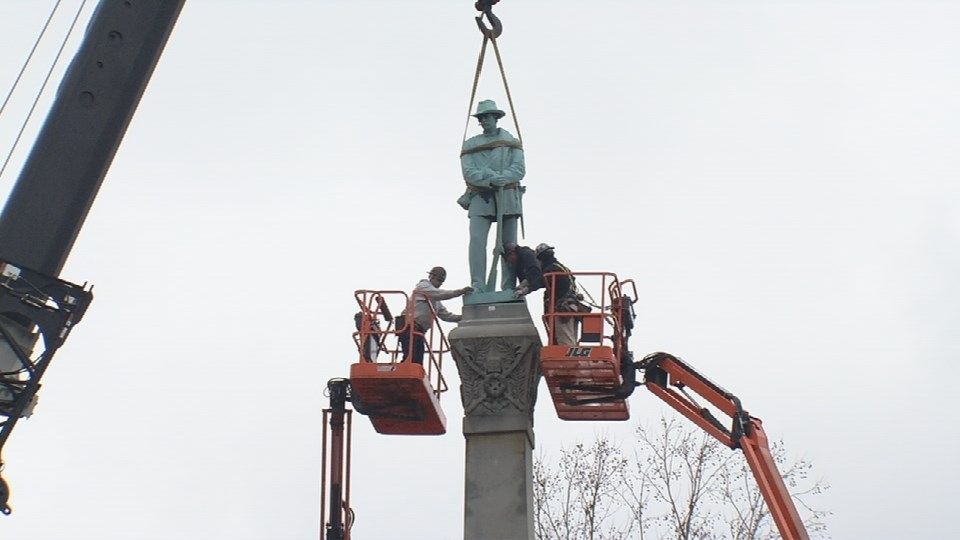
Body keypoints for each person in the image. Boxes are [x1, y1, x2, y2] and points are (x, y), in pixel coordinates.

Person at [458, 99, 526, 292]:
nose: (484, 120)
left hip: (508, 196)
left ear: (496, 117)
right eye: (481, 117)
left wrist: (502, 178)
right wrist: (489, 179)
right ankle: (478, 285)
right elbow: (468, 172)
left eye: (487, 116)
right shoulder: (471, 144)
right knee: (477, 241)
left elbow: (519, 169)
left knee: (509, 246)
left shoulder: (511, 141)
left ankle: (507, 288)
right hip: (481, 197)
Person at [398, 267, 472, 364]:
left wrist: (465, 317)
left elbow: (446, 316)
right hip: (408, 327)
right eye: (439, 280)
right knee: (412, 358)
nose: (440, 283)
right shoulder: (423, 286)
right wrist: (459, 292)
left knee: (417, 362)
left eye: (442, 281)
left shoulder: (436, 302)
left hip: (418, 331)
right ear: (431, 276)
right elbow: (439, 294)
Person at [535, 243, 583, 346]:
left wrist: (525, 287)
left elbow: (538, 282)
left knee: (565, 343)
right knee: (570, 339)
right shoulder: (562, 268)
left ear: (541, 258)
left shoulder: (551, 270)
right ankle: (572, 359)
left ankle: (568, 361)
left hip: (563, 309)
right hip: (572, 307)